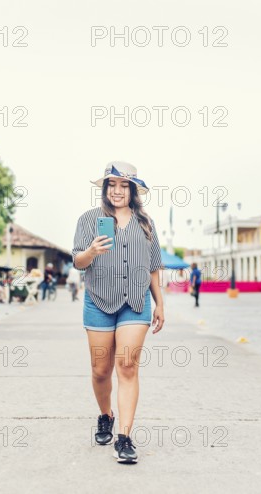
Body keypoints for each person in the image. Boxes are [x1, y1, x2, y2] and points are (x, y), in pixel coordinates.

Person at [72, 161, 164, 464]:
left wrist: (160, 303)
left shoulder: (146, 223)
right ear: (105, 189)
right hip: (98, 300)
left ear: (134, 190)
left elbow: (153, 268)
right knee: (101, 370)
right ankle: (105, 415)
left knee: (127, 366)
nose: (117, 190)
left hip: (135, 303)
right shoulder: (88, 220)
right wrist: (91, 252)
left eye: (124, 185)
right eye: (112, 185)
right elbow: (78, 262)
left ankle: (124, 438)